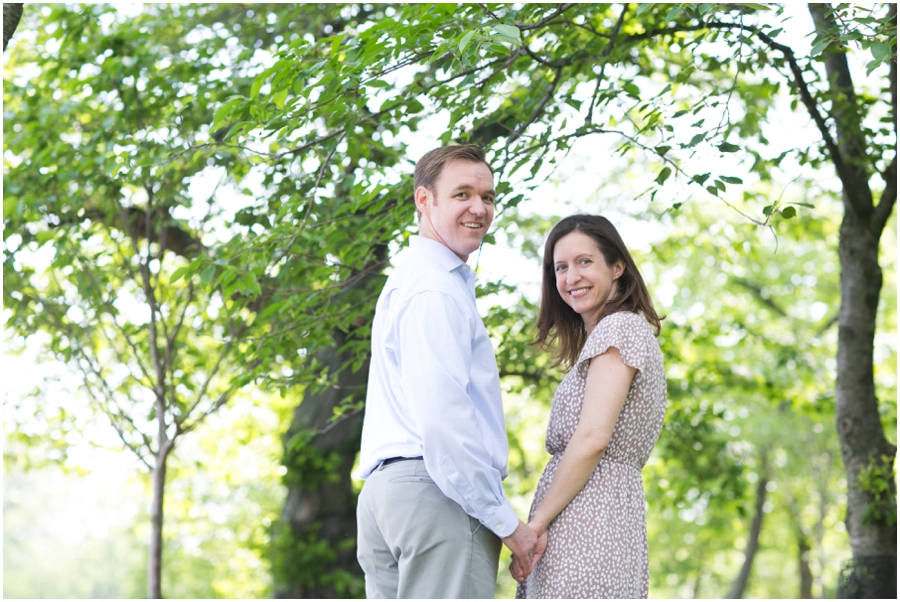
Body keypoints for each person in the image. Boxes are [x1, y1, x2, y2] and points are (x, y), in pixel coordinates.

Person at [356, 144, 538, 599]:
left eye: (488, 197)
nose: (479, 208)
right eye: (462, 194)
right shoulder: (434, 290)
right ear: (425, 200)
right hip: (436, 495)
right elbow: (444, 422)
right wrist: (505, 522)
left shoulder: (410, 280)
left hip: (387, 495)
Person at [514, 214, 666, 598]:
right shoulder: (616, 334)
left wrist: (536, 525)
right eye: (560, 267)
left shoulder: (619, 328)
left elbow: (593, 438)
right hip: (606, 516)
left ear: (617, 267)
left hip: (589, 522)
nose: (571, 277)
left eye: (585, 262)